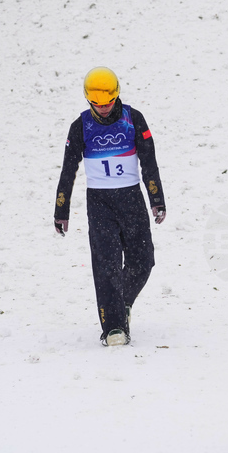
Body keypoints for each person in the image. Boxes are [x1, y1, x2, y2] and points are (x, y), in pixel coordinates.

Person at [53, 67, 166, 346]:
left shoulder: (133, 119)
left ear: (117, 96)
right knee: (106, 265)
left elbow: (149, 161)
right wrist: (61, 210)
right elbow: (68, 169)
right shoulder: (80, 126)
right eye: (97, 105)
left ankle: (122, 304)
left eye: (108, 103)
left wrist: (157, 199)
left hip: (131, 199)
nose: (103, 109)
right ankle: (114, 327)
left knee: (144, 261)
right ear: (88, 101)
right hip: (100, 203)